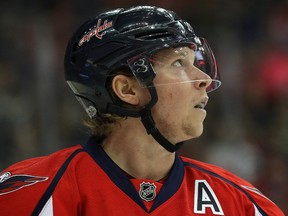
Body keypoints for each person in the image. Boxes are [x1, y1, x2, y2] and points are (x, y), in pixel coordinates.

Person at [0, 6, 284, 216]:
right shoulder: (31, 194)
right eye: (177, 63)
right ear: (127, 90)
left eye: (195, 62)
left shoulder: (241, 204)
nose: (205, 80)